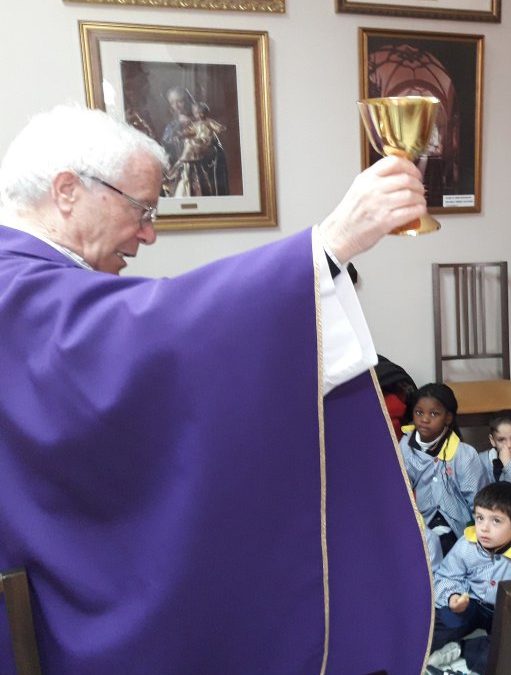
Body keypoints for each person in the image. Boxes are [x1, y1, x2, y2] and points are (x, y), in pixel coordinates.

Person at [0, 104, 431, 673]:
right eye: (142, 209)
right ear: (66, 191)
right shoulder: (18, 289)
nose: (149, 233)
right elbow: (149, 337)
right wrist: (329, 245)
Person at [429, 481, 511, 673]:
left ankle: (462, 649)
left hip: (507, 612)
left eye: (496, 521)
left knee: (508, 650)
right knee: (443, 623)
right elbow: (446, 576)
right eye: (480, 518)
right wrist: (453, 597)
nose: (483, 528)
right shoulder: (467, 544)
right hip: (472, 602)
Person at [399, 382, 488, 555]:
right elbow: (400, 491)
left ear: (448, 418)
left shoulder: (465, 454)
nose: (424, 419)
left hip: (458, 527)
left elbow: (478, 500)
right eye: (419, 412)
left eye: (434, 414)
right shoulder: (405, 446)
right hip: (422, 523)